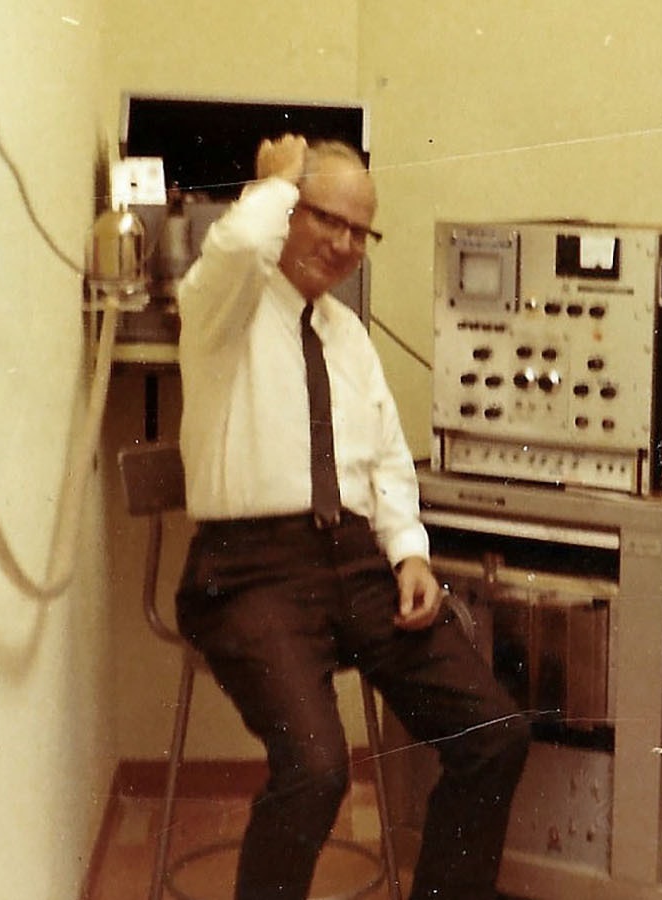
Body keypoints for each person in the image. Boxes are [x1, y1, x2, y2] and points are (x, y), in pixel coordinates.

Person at [174, 133, 530, 900]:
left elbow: (386, 463)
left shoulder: (348, 337)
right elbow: (237, 246)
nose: (341, 244)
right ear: (288, 213)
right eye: (324, 218)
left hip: (356, 565)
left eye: (359, 231)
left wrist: (410, 554)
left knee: (495, 734)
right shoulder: (221, 304)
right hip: (247, 572)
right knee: (315, 771)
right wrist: (271, 182)